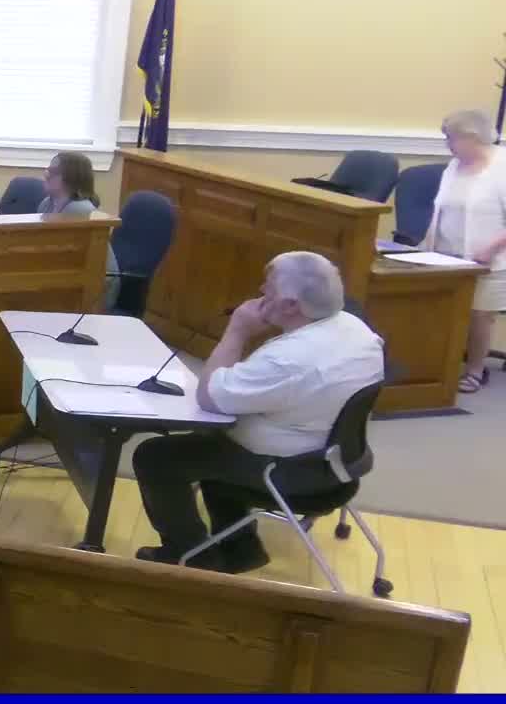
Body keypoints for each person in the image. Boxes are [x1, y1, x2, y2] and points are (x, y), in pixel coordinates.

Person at [131, 252, 386, 573]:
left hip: (291, 473)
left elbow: (209, 397)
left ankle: (191, 555)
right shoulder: (355, 328)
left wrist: (237, 331)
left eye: (270, 287)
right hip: (338, 463)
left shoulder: (288, 360)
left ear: (291, 305)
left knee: (156, 456)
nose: (262, 290)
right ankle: (241, 549)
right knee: (208, 443)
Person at [423, 108, 506, 393]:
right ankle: (440, 367)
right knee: (444, 310)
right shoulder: (454, 166)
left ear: (471, 137)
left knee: (480, 315)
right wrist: (427, 244)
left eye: (451, 138)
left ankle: (475, 371)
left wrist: (491, 248)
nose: (448, 144)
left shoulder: (502, 167)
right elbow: (441, 208)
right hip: (446, 255)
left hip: (491, 260)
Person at [39, 150, 119, 307]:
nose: (46, 174)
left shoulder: (80, 211)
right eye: (47, 169)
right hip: (67, 280)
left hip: (96, 289)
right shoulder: (46, 204)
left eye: (53, 171)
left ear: (71, 178)